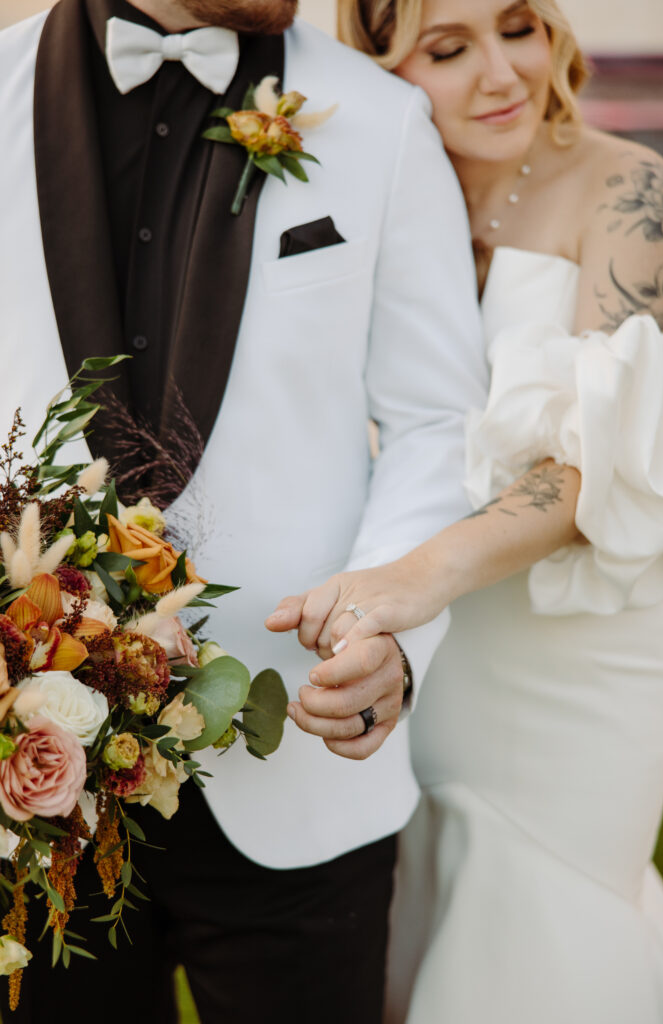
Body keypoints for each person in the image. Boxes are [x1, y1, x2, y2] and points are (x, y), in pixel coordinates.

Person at [0, 0, 489, 1020]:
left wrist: (387, 632)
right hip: (34, 791)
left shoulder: (381, 119)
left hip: (304, 774)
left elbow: (436, 423)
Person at [267, 0, 663, 1020]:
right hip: (426, 648)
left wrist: (408, 580)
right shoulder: (364, 197)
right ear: (377, 70)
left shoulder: (626, 187)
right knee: (434, 913)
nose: (502, 74)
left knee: (548, 920)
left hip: (578, 647)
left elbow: (592, 466)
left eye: (518, 29)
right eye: (448, 51)